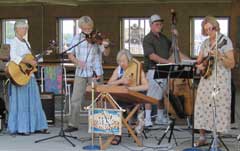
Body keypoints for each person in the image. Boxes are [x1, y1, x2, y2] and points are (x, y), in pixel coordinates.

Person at [194, 16, 235, 147]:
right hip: (206, 79)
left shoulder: (225, 41)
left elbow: (232, 64)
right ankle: (202, 137)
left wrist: (220, 56)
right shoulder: (205, 43)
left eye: (211, 29)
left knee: (218, 107)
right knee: (201, 105)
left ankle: (216, 138)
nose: (209, 32)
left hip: (220, 80)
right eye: (206, 30)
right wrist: (199, 66)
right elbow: (199, 61)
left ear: (216, 27)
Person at [64, 16, 110, 132]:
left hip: (96, 71)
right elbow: (70, 54)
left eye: (89, 29)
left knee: (98, 98)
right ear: (81, 28)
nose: (88, 31)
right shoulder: (77, 38)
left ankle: (99, 123)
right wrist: (77, 62)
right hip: (80, 72)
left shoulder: (97, 38)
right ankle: (73, 124)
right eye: (85, 29)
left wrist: (106, 45)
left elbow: (106, 54)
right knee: (75, 99)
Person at [7, 20, 48, 135]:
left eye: (26, 28)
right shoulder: (13, 42)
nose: (25, 30)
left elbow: (30, 58)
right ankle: (22, 127)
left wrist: (36, 60)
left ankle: (36, 125)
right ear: (17, 30)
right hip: (19, 75)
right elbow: (14, 57)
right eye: (23, 28)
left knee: (34, 100)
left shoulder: (27, 43)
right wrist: (27, 60)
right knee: (22, 101)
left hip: (29, 75)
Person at [107, 49, 148, 145]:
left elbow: (146, 86)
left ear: (129, 60)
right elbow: (109, 83)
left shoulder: (137, 68)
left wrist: (131, 89)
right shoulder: (119, 69)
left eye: (123, 61)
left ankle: (133, 126)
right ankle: (117, 134)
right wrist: (120, 81)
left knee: (134, 105)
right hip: (122, 97)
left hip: (135, 96)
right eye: (119, 61)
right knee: (115, 105)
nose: (121, 63)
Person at [143, 14, 173, 127]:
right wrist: (167, 62)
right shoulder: (147, 38)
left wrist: (176, 37)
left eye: (160, 24)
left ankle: (160, 118)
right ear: (151, 25)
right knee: (150, 96)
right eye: (157, 24)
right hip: (153, 69)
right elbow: (152, 56)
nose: (159, 26)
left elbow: (173, 48)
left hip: (164, 69)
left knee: (161, 95)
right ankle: (147, 119)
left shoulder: (164, 38)